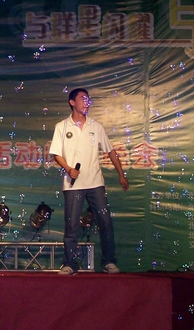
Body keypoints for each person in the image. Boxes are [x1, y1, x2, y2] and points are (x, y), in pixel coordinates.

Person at [49, 88, 129, 275]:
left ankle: (108, 262)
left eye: (88, 99)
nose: (86, 102)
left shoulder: (96, 126)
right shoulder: (62, 126)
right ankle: (70, 264)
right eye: (82, 99)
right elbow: (56, 154)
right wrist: (68, 169)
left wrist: (121, 174)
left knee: (105, 222)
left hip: (95, 183)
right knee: (72, 226)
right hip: (73, 185)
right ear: (72, 102)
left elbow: (110, 151)